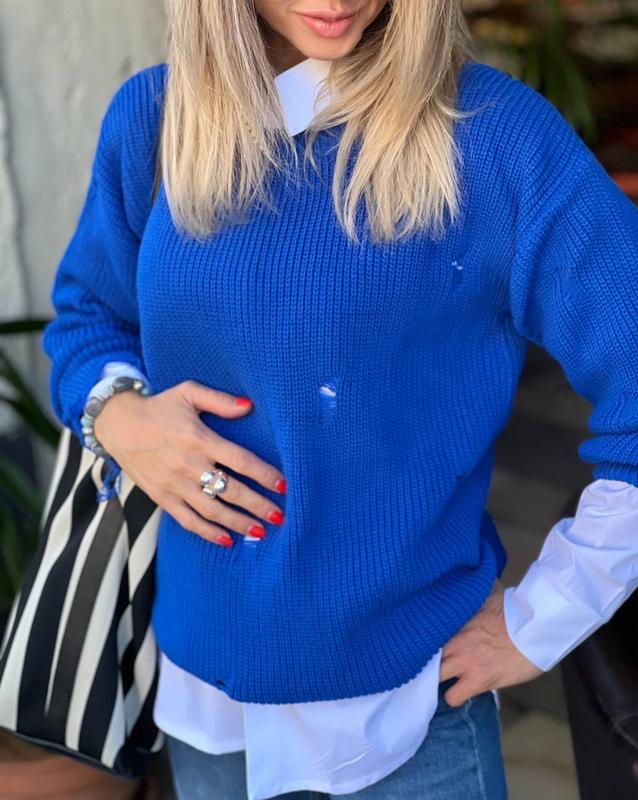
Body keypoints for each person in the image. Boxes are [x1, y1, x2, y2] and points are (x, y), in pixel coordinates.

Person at [41, 1, 638, 798]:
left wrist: (549, 614)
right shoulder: (153, 118)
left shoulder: (494, 136)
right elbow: (89, 319)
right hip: (205, 719)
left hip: (411, 726)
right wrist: (121, 418)